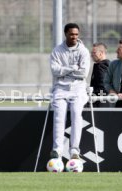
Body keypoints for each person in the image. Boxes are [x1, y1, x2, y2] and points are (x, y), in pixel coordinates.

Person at [49, 23, 90, 159]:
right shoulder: (57, 51)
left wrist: (64, 71)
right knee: (59, 116)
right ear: (65, 34)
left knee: (76, 114)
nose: (74, 37)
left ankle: (74, 150)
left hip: (78, 88)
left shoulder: (84, 51)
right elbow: (55, 71)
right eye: (72, 34)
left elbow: (83, 73)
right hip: (60, 88)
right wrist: (72, 67)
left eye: (76, 34)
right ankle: (58, 149)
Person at [90, 42, 110, 107]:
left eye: (94, 53)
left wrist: (91, 93)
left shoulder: (101, 67)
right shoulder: (107, 65)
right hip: (102, 100)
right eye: (91, 53)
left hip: (100, 102)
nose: (91, 55)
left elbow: (103, 87)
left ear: (101, 53)